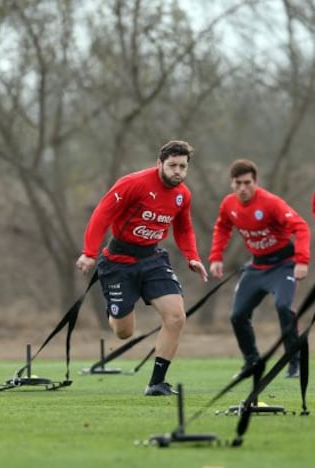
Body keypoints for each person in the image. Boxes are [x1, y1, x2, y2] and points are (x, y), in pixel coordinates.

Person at [76, 140, 208, 396]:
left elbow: (183, 228)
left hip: (153, 260)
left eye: (182, 166)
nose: (177, 171)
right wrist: (89, 253)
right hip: (118, 261)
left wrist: (192, 257)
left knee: (176, 317)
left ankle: (157, 383)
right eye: (172, 166)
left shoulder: (183, 194)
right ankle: (117, 307)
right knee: (124, 332)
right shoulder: (133, 183)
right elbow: (102, 214)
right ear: (159, 163)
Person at [208, 159, 310, 378]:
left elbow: (301, 228)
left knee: (284, 307)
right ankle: (252, 362)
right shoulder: (228, 204)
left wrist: (302, 261)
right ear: (231, 183)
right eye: (238, 183)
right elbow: (222, 226)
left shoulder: (271, 203)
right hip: (256, 267)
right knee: (237, 315)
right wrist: (216, 257)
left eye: (247, 183)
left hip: (284, 266)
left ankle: (295, 364)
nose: (243, 188)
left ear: (255, 182)